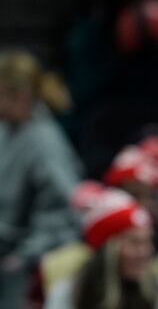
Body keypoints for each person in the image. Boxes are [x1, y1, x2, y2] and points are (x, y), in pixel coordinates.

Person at [0, 50, 82, 308]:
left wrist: (25, 256)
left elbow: (66, 209)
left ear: (20, 95)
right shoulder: (7, 130)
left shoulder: (45, 142)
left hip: (26, 269)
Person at [44, 182, 158, 309]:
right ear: (107, 249)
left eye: (148, 241)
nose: (145, 252)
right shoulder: (69, 295)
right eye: (135, 242)